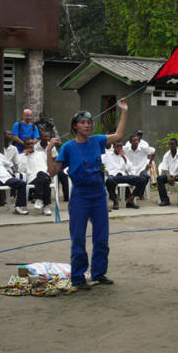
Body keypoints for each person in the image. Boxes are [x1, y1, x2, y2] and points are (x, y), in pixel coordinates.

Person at [46, 98, 128, 290]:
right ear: (75, 126)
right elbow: (52, 172)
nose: (87, 125)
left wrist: (124, 111)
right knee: (78, 239)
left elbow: (118, 135)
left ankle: (99, 273)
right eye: (83, 122)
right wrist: (49, 150)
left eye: (89, 122)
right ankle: (78, 277)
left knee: (101, 237)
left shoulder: (97, 141)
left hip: (99, 194)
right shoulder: (67, 148)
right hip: (80, 197)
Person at [103, 141, 146, 210]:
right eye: (117, 146)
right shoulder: (107, 155)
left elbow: (129, 168)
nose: (119, 148)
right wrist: (105, 170)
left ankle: (130, 199)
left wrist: (124, 157)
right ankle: (115, 200)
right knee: (109, 180)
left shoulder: (124, 156)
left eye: (121, 146)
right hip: (113, 176)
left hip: (123, 176)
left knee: (142, 180)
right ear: (113, 147)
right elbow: (100, 164)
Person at [17, 138, 52, 216]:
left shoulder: (41, 154)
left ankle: (39, 199)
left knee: (42, 174)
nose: (30, 145)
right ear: (24, 145)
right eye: (28, 144)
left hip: (45, 176)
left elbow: (48, 165)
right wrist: (25, 156)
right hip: (32, 178)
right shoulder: (21, 156)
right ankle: (46, 206)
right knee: (43, 178)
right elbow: (21, 170)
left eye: (32, 144)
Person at [35, 131, 70, 202]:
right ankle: (38, 197)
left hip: (50, 166)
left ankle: (67, 196)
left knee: (63, 174)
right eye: (45, 137)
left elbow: (55, 159)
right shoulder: (35, 147)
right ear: (40, 137)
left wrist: (50, 167)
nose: (46, 139)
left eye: (48, 137)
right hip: (39, 167)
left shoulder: (52, 146)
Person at [157, 138, 178, 207]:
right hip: (170, 175)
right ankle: (165, 200)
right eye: (170, 144)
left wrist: (174, 177)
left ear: (177, 144)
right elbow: (165, 168)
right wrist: (169, 177)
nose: (171, 146)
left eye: (173, 144)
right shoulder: (166, 155)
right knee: (159, 178)